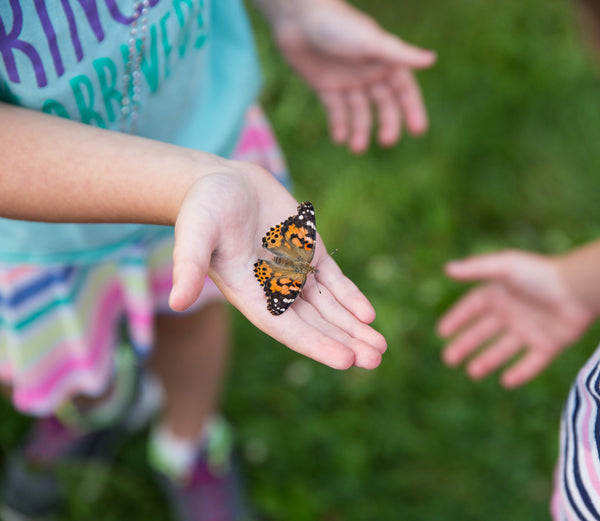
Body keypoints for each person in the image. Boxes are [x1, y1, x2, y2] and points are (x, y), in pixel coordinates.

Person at [0, 0, 435, 519]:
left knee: (191, 317)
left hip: (205, 141)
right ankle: (96, 404)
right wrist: (187, 185)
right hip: (37, 224)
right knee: (65, 347)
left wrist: (298, 10)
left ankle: (188, 442)